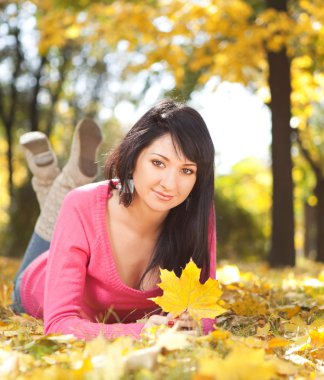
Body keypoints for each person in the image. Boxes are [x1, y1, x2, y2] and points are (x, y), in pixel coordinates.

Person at [12, 99, 216, 340]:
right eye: (158, 163)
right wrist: (142, 331)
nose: (170, 184)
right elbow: (59, 325)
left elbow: (205, 314)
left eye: (187, 170)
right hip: (36, 282)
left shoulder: (197, 215)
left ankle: (51, 181)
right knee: (65, 209)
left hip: (81, 229)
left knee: (69, 210)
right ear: (133, 158)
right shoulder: (83, 204)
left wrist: (191, 324)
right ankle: (52, 181)